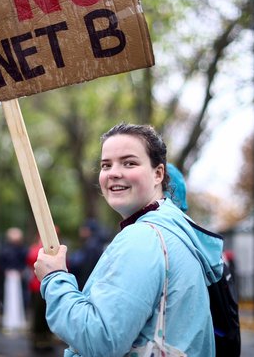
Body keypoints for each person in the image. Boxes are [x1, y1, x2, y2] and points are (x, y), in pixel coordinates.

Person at [34, 123, 224, 356]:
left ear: (158, 173)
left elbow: (100, 340)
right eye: (106, 165)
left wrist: (54, 278)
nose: (113, 172)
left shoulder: (144, 238)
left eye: (129, 162)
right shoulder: (172, 232)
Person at [0, 227, 28, 332]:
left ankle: (17, 319)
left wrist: (21, 270)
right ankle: (10, 320)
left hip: (17, 275)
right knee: (10, 296)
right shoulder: (6, 249)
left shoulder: (21, 249)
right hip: (10, 275)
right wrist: (6, 270)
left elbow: (24, 260)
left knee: (18, 296)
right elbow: (1, 261)